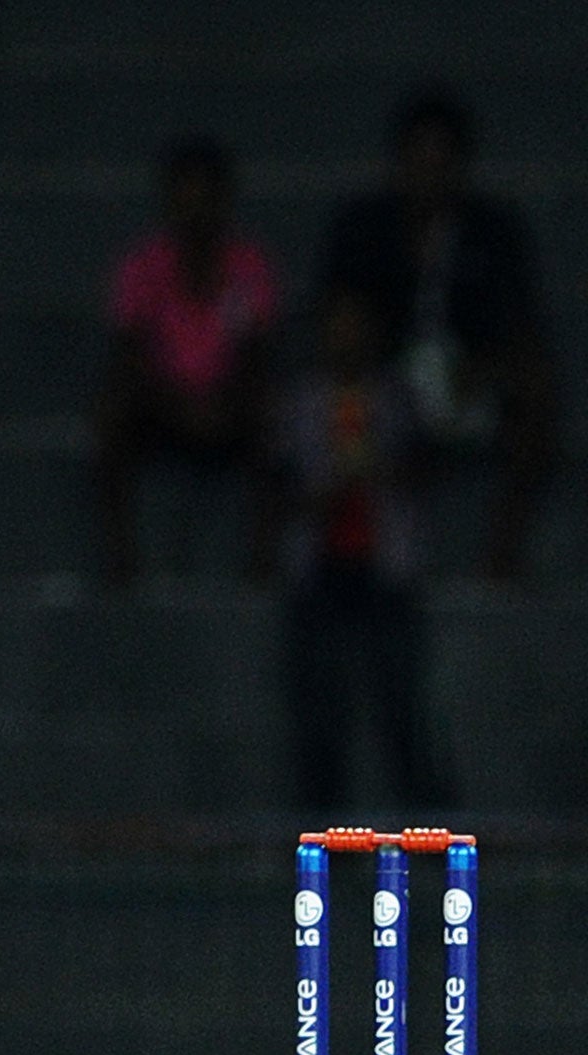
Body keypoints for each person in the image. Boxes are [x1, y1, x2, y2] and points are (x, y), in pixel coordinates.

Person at [316, 86, 557, 585]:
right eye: (417, 157)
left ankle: (504, 551)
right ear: (399, 161)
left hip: (469, 380)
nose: (429, 172)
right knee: (342, 394)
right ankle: (354, 551)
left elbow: (521, 323)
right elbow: (337, 316)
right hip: (384, 383)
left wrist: (483, 370)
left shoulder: (495, 230)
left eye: (440, 159)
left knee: (538, 389)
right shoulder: (364, 226)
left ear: (460, 165)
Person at [262, 285, 454, 815]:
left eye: (356, 323)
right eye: (336, 324)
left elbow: (426, 465)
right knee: (321, 707)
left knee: (401, 704)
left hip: (385, 564)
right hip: (320, 567)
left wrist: (377, 469)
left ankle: (429, 826)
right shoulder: (298, 401)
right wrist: (319, 495)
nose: (346, 336)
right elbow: (277, 482)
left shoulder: (397, 397)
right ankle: (326, 832)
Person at [93, 136, 281, 586]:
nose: (196, 212)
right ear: (169, 204)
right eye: (185, 199)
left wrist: (221, 401)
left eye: (206, 199)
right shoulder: (141, 266)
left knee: (276, 416)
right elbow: (131, 354)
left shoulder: (249, 265)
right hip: (162, 404)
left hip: (229, 402)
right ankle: (121, 556)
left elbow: (256, 355)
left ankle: (263, 556)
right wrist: (179, 404)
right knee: (111, 413)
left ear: (224, 201)